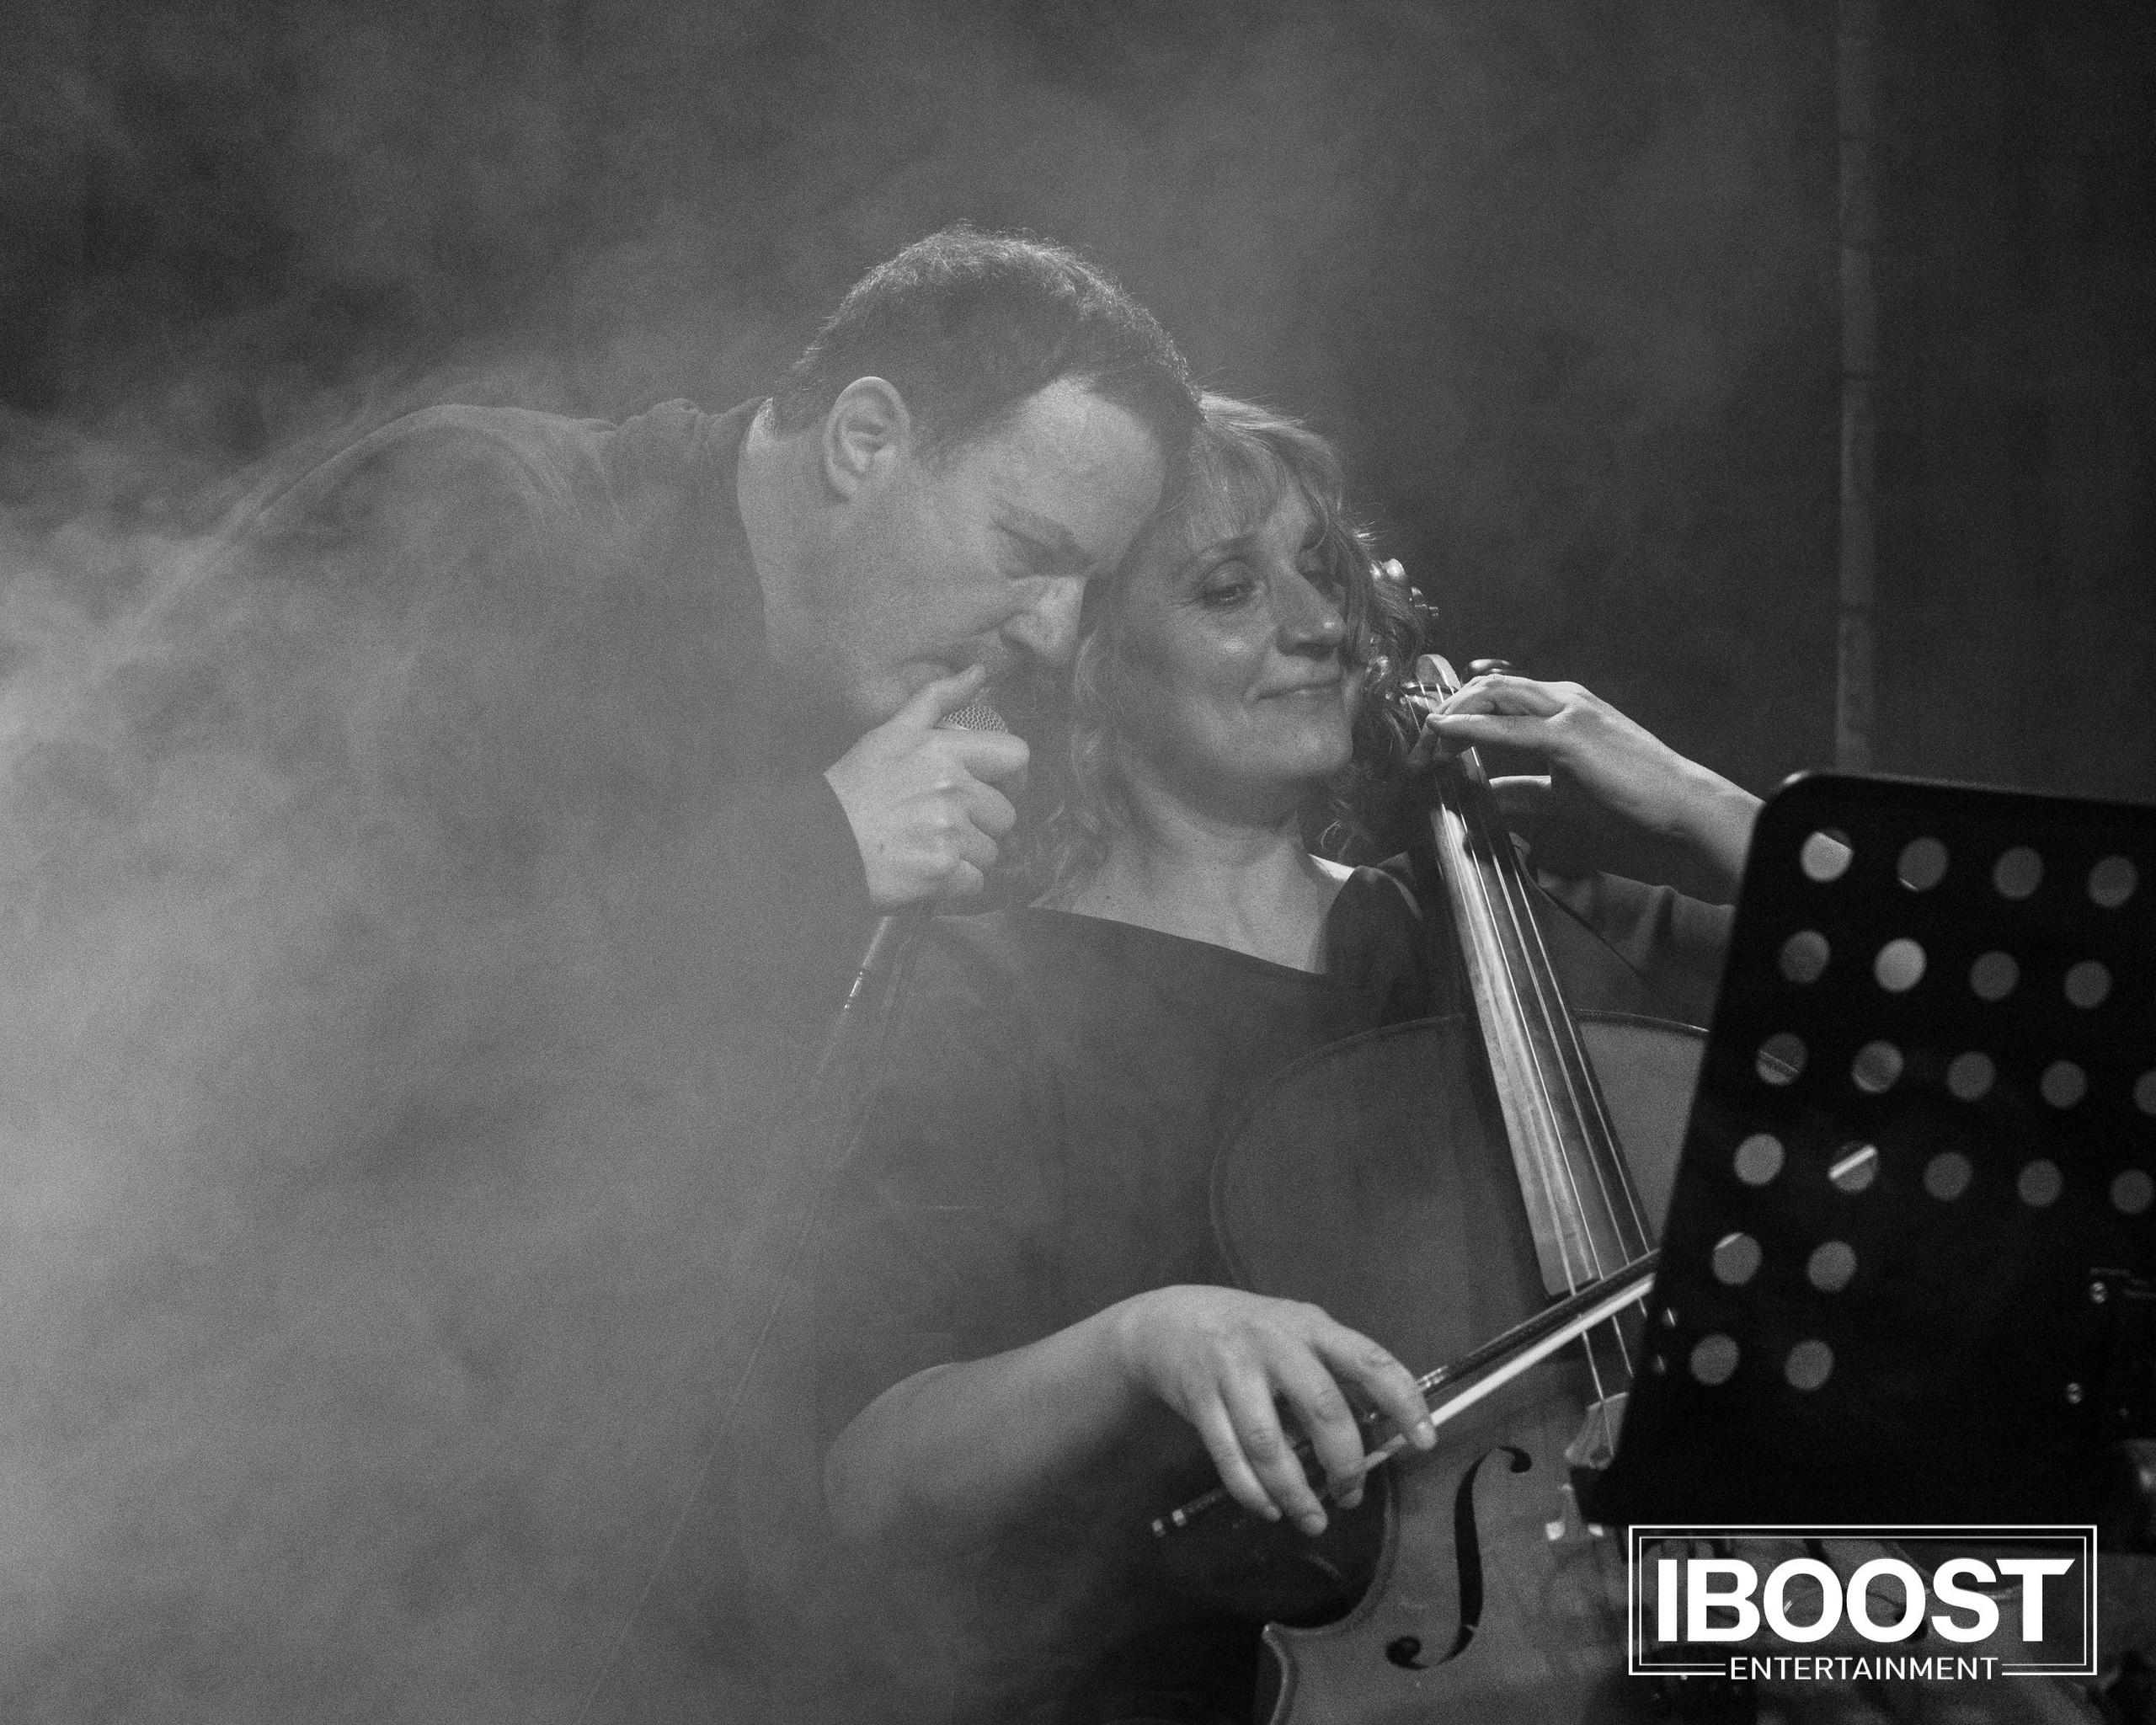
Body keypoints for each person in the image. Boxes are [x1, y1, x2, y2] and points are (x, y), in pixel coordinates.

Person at [809, 394, 1758, 1722]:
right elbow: (873, 1475)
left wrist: (1707, 808)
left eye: (1324, 571)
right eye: (1229, 587)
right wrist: (1140, 1342)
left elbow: (1956, 1011)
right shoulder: (990, 994)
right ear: (1092, 662)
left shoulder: (1502, 928)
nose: (1320, 626)